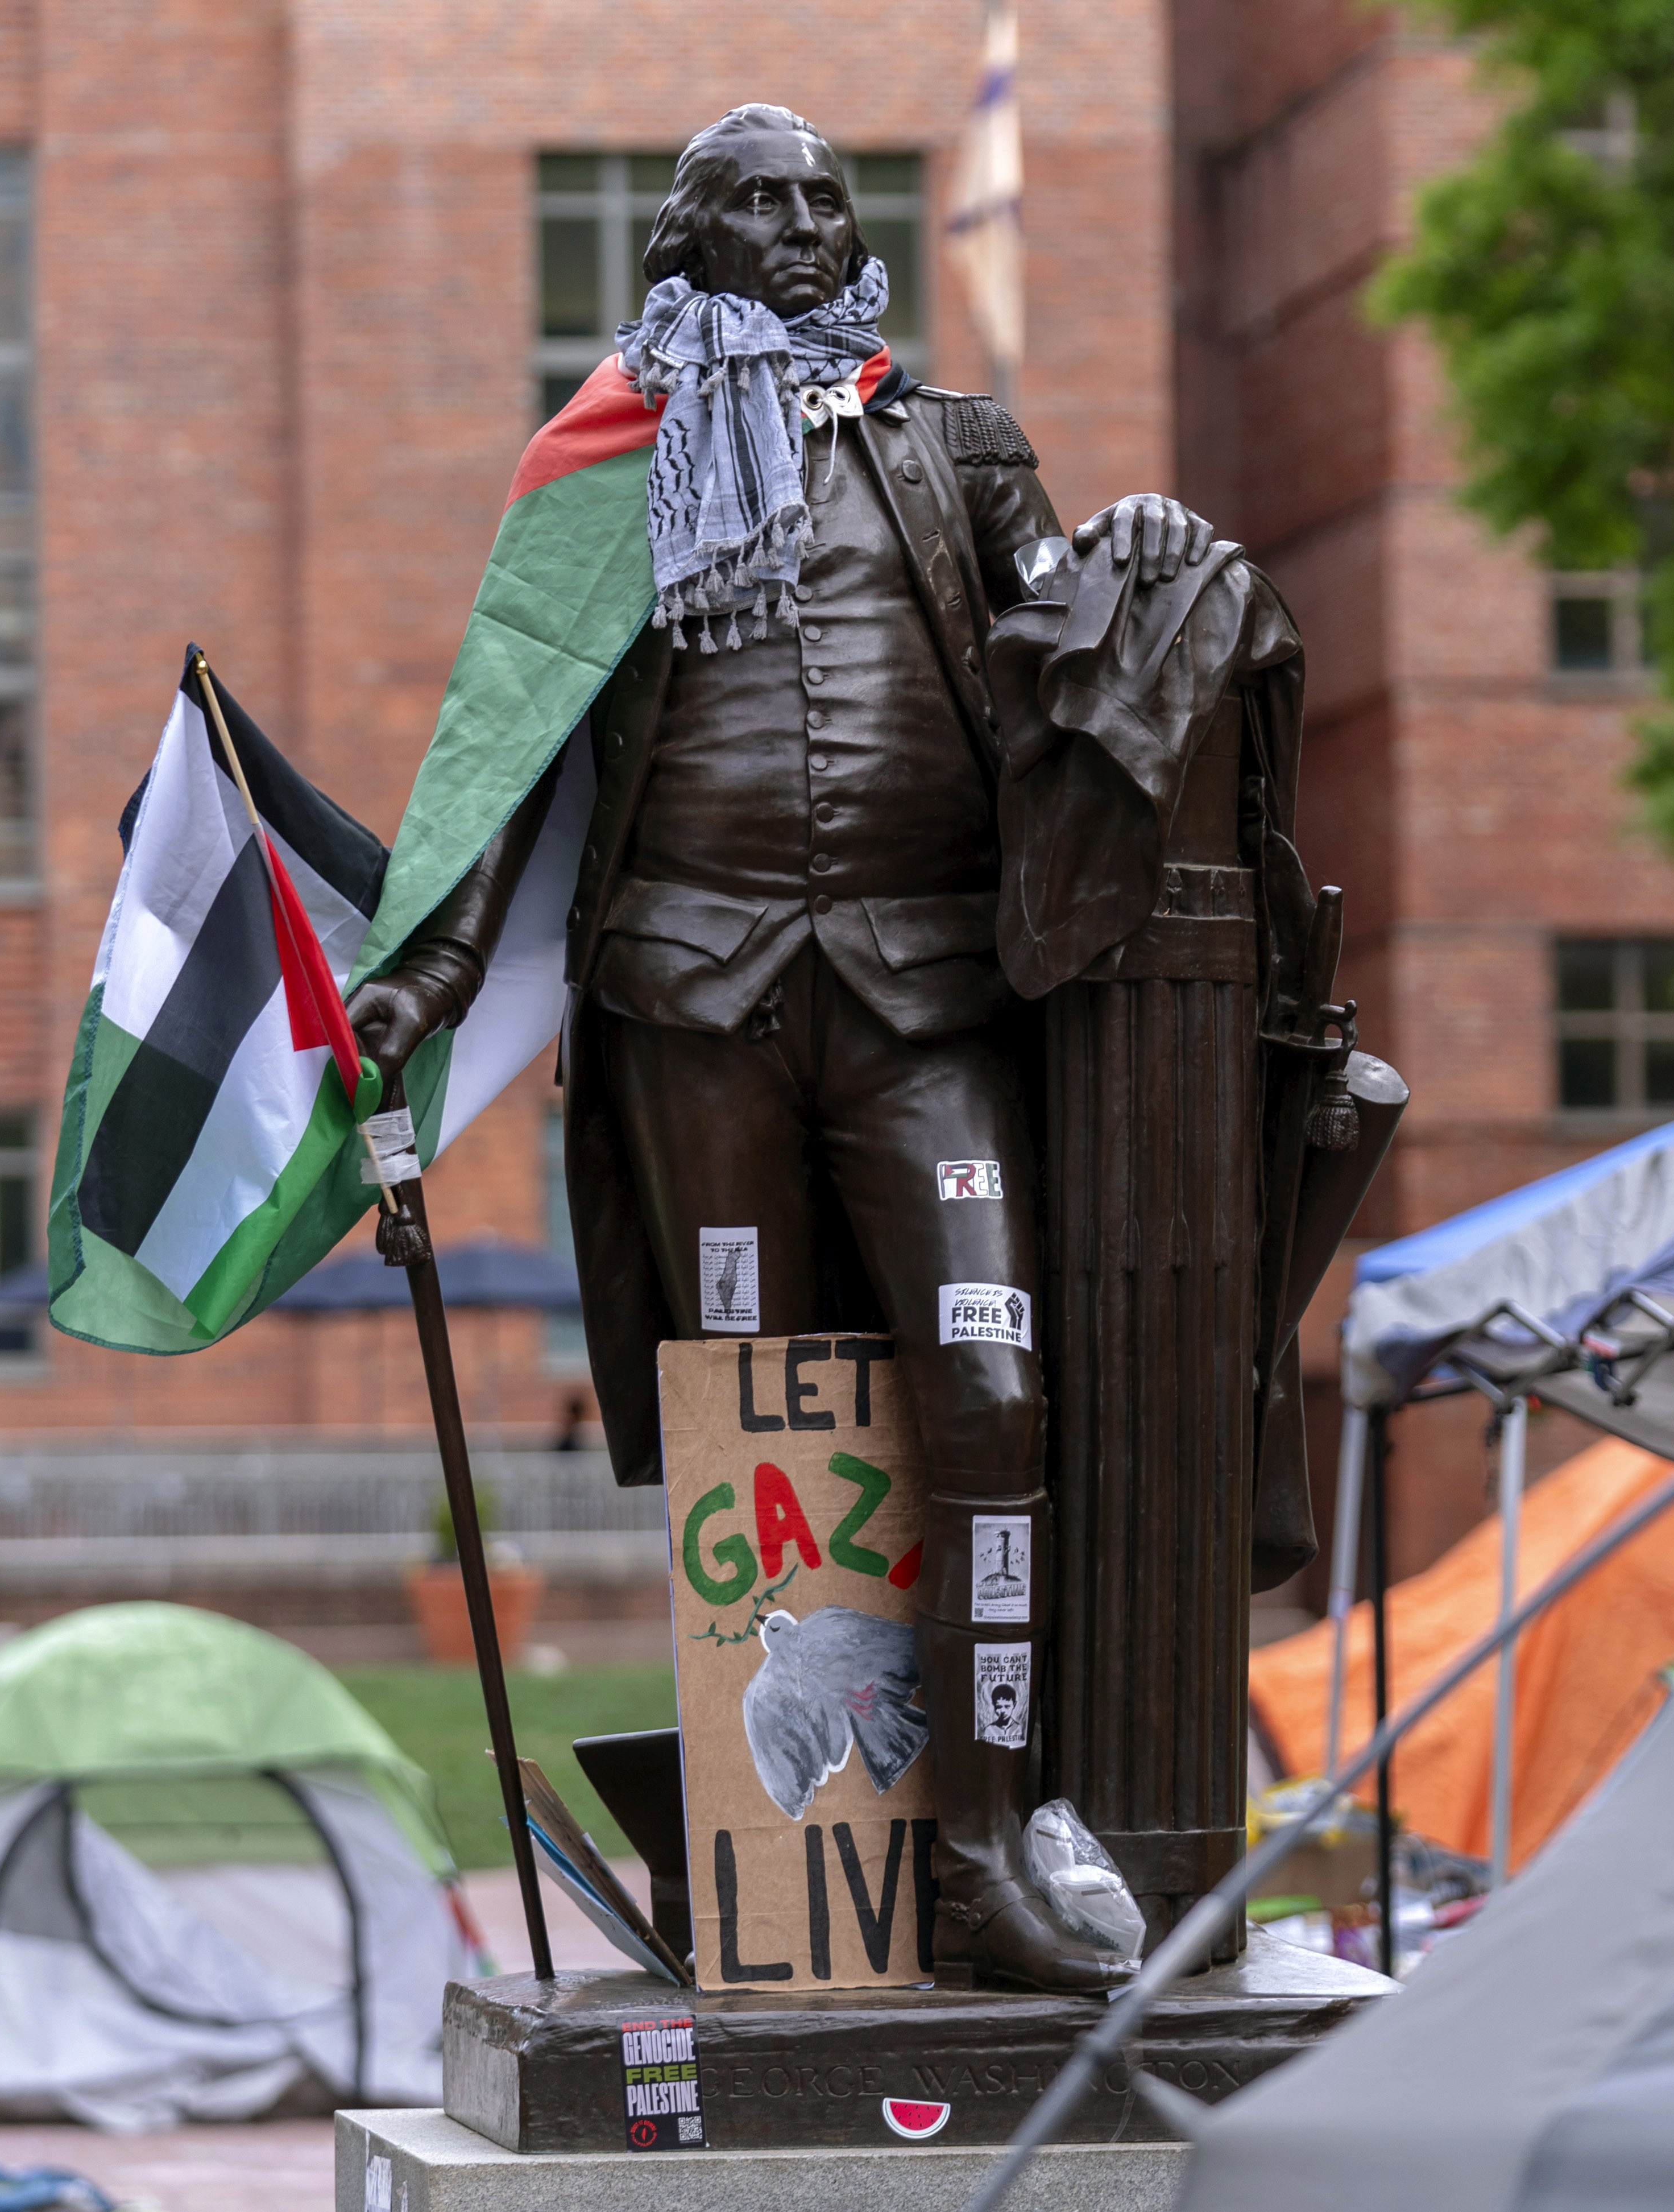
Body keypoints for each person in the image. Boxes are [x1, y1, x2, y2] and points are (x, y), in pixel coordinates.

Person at [347, 103, 1211, 1994]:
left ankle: (979, 1850)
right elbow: (512, 743)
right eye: (762, 200)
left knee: (990, 1395)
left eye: (830, 198)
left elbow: (1065, 644)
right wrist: (427, 968)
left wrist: (1131, 556)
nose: (809, 227)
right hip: (694, 999)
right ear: (685, 241)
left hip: (922, 998)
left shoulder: (953, 440)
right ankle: (773, 1854)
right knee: (757, 1423)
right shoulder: (604, 470)